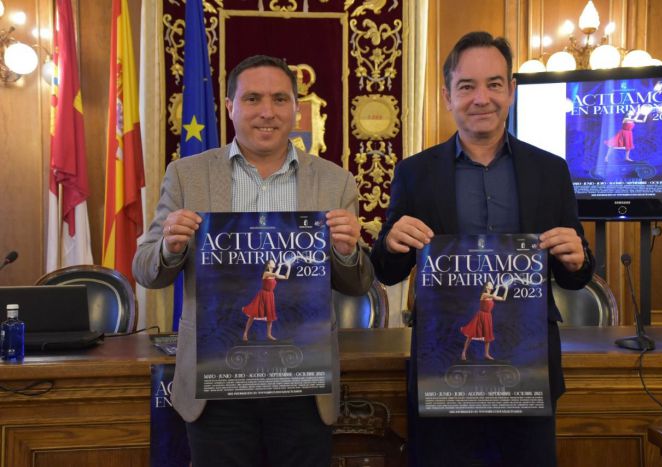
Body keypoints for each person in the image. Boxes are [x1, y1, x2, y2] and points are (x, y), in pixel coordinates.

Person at [133, 54, 374, 467]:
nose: (267, 112)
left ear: (295, 108)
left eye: (280, 99)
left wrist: (348, 251)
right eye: (253, 99)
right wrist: (170, 247)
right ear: (230, 106)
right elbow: (145, 270)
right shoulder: (187, 175)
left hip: (302, 385)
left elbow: (357, 284)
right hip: (215, 385)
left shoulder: (335, 181)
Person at [371, 32, 594, 467]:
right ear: (447, 96)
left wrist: (578, 257)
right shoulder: (415, 173)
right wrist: (393, 243)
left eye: (494, 84)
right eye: (467, 86)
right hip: (443, 369)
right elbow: (387, 268)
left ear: (511, 90)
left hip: (529, 370)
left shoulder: (551, 170)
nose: (481, 98)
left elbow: (575, 273)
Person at [242, 259, 290, 341]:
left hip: (270, 296)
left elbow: (286, 277)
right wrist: (280, 266)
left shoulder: (273, 274)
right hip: (262, 295)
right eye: (272, 262)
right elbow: (276, 275)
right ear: (268, 265)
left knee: (269, 315)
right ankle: (245, 333)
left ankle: (269, 334)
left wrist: (289, 267)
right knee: (253, 314)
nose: (274, 263)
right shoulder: (266, 273)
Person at [459, 281, 506, 361]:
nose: (492, 285)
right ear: (487, 287)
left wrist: (506, 289)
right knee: (471, 334)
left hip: (488, 317)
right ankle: (463, 352)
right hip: (481, 316)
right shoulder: (484, 294)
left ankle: (486, 354)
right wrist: (498, 288)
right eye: (490, 284)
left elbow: (503, 298)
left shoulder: (491, 296)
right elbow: (494, 296)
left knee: (488, 335)